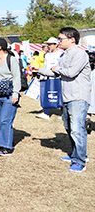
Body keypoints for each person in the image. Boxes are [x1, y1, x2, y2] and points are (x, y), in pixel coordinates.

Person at [32, 27, 92, 171]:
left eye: (61, 39)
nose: (58, 42)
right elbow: (57, 72)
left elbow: (70, 72)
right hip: (65, 96)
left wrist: (54, 69)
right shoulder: (65, 55)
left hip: (78, 96)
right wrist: (39, 70)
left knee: (77, 129)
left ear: (72, 39)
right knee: (69, 127)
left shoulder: (80, 54)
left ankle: (80, 160)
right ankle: (76, 153)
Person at [0, 37, 21, 157]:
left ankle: (6, 147)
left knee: (5, 120)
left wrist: (16, 93)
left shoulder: (11, 60)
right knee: (0, 120)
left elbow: (17, 77)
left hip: (9, 94)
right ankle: (4, 143)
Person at [36, 37, 63, 120]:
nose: (49, 46)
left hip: (57, 76)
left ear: (56, 45)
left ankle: (63, 113)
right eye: (48, 44)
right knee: (46, 93)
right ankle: (46, 113)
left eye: (51, 44)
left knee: (60, 94)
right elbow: (45, 65)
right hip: (47, 75)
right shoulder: (47, 55)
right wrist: (42, 74)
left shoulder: (61, 54)